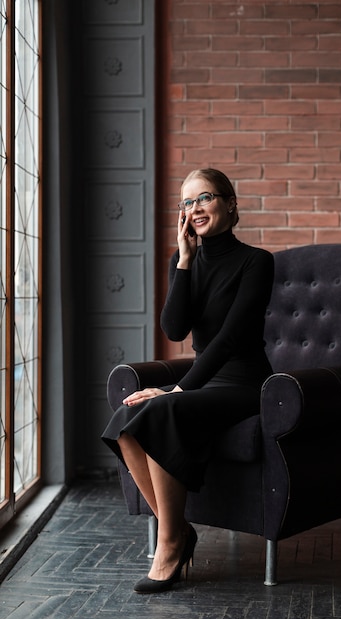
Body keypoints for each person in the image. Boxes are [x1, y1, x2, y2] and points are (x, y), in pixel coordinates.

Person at [102, 168, 274, 593]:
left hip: (245, 384)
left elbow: (230, 339)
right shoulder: (185, 262)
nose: (194, 209)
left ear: (230, 204)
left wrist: (178, 389)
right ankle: (177, 528)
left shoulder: (257, 262)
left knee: (161, 409)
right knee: (124, 424)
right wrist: (183, 259)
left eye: (205, 198)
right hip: (205, 384)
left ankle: (169, 544)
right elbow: (174, 329)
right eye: (186, 202)